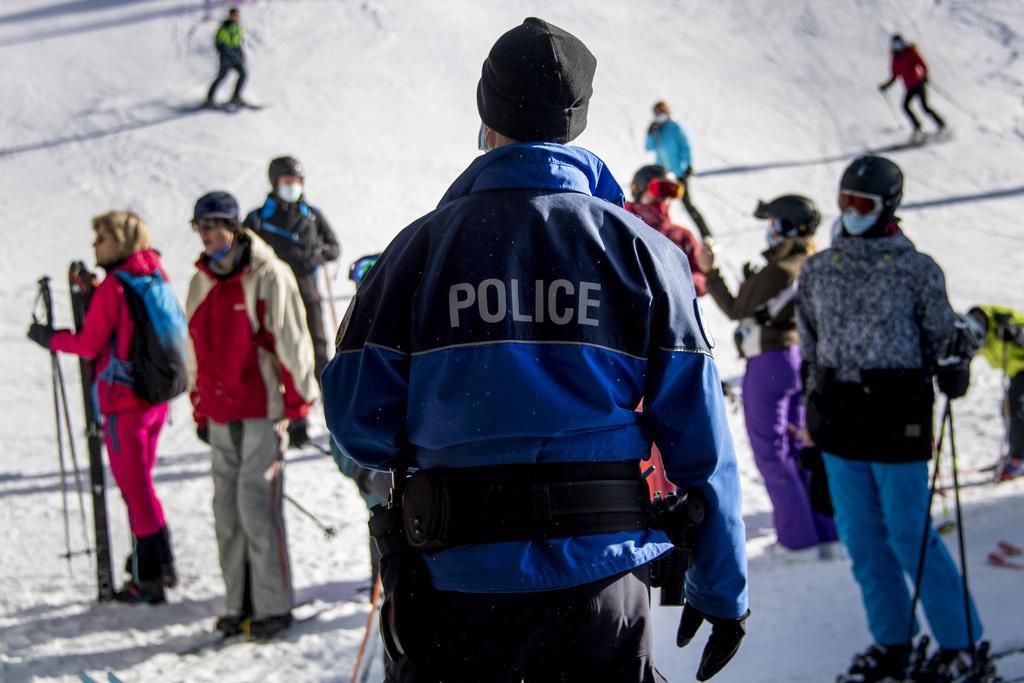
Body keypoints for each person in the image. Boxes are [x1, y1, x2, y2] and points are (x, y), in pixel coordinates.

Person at [324, 18, 748, 683]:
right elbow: (702, 437)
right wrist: (722, 588)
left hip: (457, 591)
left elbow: (359, 425)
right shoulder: (645, 253)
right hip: (603, 588)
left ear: (486, 112)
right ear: (576, 119)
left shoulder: (415, 252)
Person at [797, 155, 983, 682]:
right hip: (838, 417)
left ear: (887, 208)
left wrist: (963, 350)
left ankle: (960, 642)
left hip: (895, 412)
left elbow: (943, 338)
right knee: (861, 539)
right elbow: (810, 350)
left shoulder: (915, 269)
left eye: (864, 204)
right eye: (845, 202)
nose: (851, 212)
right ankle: (893, 642)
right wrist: (812, 415)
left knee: (908, 533)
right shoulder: (817, 270)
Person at [185, 191, 319, 640]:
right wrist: (198, 404)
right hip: (222, 412)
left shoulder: (268, 275)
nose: (205, 236)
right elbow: (194, 350)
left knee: (256, 507)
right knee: (226, 512)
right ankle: (237, 600)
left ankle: (272, 604)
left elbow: (292, 339)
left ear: (233, 227)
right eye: (200, 228)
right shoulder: (201, 280)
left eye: (212, 226)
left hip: (263, 408)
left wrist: (299, 404)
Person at [27, 211, 179, 604]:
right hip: (153, 398)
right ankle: (161, 562)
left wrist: (49, 337)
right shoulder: (152, 272)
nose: (95, 246)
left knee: (134, 488)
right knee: (143, 484)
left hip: (122, 403)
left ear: (119, 242)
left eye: (101, 239)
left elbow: (90, 344)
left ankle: (149, 577)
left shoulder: (115, 286)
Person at [695, 195, 837, 558]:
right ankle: (824, 530)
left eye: (774, 223)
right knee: (801, 448)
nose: (769, 231)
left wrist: (710, 270)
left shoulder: (780, 269)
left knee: (771, 451)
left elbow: (736, 310)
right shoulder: (811, 263)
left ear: (789, 228)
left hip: (769, 363)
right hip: (796, 359)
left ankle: (798, 539)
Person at [243, 156, 341, 384]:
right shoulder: (257, 219)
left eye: (297, 181)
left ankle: (326, 394)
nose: (292, 186)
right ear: (275, 182)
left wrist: (315, 257)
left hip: (308, 290)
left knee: (318, 344)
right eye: (287, 181)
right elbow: (243, 251)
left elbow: (334, 247)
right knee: (278, 345)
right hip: (272, 295)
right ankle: (287, 397)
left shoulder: (312, 215)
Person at [625, 165, 707, 297]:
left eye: (671, 192)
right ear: (640, 189)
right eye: (660, 189)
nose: (664, 198)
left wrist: (690, 281)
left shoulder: (682, 236)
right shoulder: (621, 224)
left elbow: (699, 278)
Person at [966, 305, 1024, 480]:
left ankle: (1019, 458)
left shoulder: (1001, 321)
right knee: (1007, 408)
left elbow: (1020, 329)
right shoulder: (978, 334)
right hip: (1015, 370)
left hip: (1021, 366)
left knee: (1017, 410)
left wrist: (1017, 334)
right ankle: (1015, 453)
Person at [645, 100, 712, 240]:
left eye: (662, 112)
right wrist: (650, 133)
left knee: (687, 203)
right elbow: (649, 147)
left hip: (678, 173)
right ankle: (658, 234)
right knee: (659, 204)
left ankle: (706, 234)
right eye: (657, 113)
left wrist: (686, 165)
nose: (659, 115)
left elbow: (685, 147)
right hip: (662, 173)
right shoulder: (657, 130)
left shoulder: (675, 127)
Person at [879, 34, 946, 142]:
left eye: (899, 44)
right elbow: (894, 76)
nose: (898, 47)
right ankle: (918, 128)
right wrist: (886, 86)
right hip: (909, 87)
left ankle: (942, 125)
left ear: (903, 43)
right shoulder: (895, 60)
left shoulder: (911, 52)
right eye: (895, 45)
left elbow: (923, 65)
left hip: (919, 84)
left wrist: (925, 76)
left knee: (924, 107)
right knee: (905, 106)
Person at [205, 8, 247, 107]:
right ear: (230, 16)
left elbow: (238, 43)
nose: (236, 17)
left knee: (243, 74)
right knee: (222, 76)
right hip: (226, 58)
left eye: (237, 16)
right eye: (234, 15)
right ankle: (209, 99)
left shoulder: (239, 28)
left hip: (235, 57)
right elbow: (222, 45)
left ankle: (236, 96)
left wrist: (241, 54)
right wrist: (233, 55)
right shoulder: (223, 29)